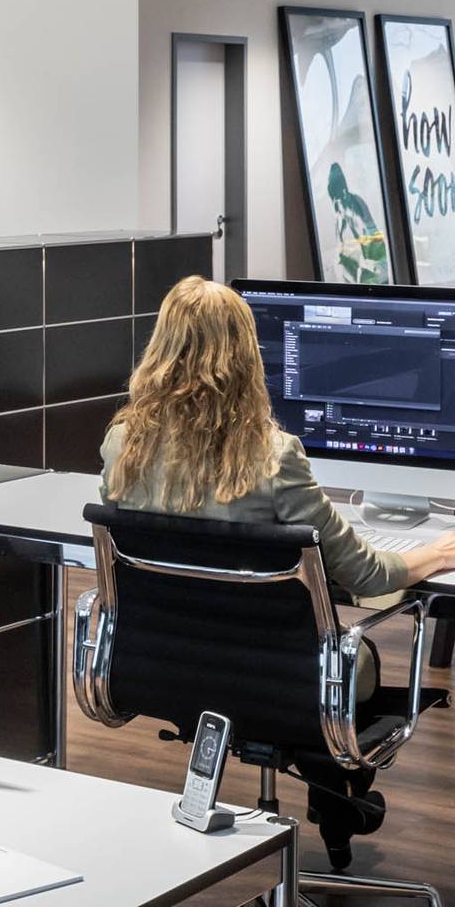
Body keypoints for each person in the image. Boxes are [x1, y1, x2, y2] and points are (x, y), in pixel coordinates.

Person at [100, 275, 455, 866]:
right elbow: (366, 575)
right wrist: (437, 554)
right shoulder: (271, 457)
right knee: (340, 653)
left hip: (166, 665)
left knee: (293, 653)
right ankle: (334, 791)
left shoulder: (122, 445)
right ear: (246, 354)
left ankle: (325, 792)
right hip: (281, 676)